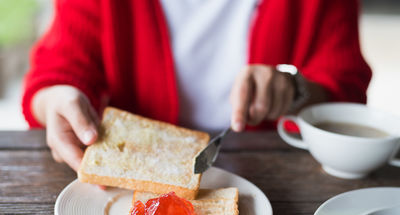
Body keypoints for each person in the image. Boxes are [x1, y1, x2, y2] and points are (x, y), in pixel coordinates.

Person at [22, 0, 372, 172]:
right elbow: (57, 72)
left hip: (277, 177)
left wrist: (295, 89)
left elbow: (347, 87)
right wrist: (56, 99)